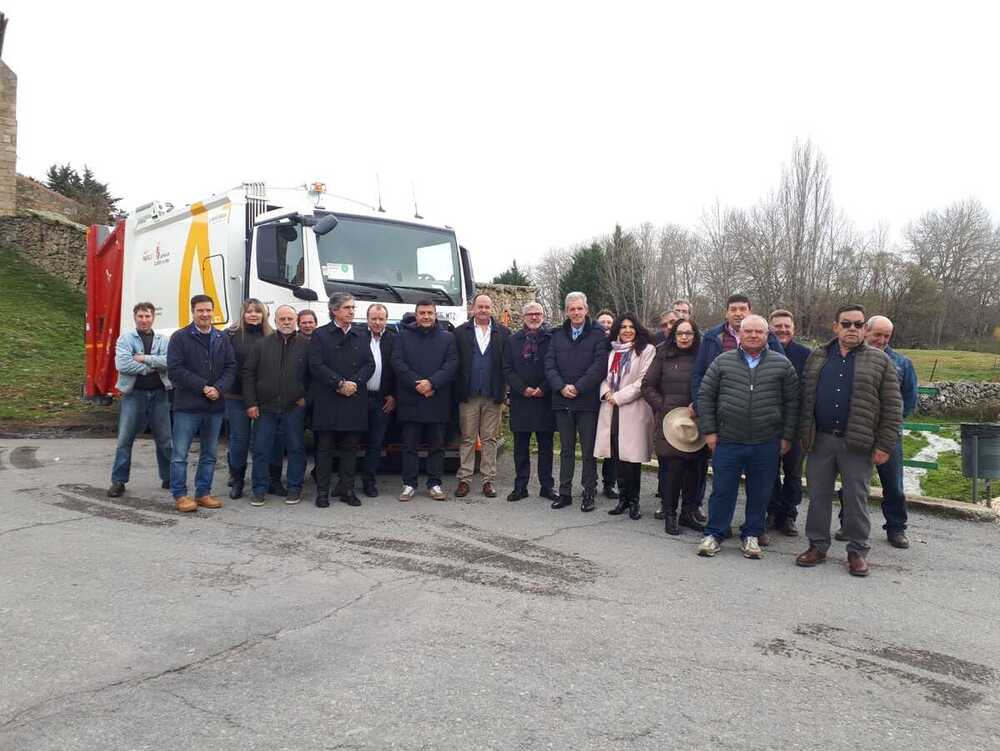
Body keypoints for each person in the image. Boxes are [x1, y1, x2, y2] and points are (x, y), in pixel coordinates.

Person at [796, 305, 903, 578]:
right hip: (820, 440)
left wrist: (884, 445)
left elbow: (893, 407)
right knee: (818, 496)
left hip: (857, 442)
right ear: (836, 327)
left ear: (865, 329)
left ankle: (857, 551)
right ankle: (817, 546)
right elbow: (805, 399)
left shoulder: (880, 361)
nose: (852, 329)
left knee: (856, 498)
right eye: (847, 324)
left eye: (858, 324)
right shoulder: (817, 357)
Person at [696, 315, 800, 559]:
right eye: (749, 331)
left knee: (760, 491)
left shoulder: (781, 364)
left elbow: (793, 403)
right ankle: (714, 533)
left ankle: (752, 534)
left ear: (767, 336)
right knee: (722, 490)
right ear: (740, 334)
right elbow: (706, 397)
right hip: (728, 440)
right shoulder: (722, 362)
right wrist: (710, 432)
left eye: (759, 332)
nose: (754, 335)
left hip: (766, 441)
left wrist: (786, 437)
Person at [690, 294, 785, 527]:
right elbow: (700, 376)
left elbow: (784, 383)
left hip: (763, 429)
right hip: (725, 425)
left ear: (750, 311)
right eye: (733, 309)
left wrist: (783, 431)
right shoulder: (713, 337)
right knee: (723, 485)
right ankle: (716, 530)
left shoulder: (768, 338)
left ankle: (755, 529)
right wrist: (705, 416)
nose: (738, 312)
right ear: (726, 312)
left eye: (743, 308)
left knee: (761, 486)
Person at [167, 294, 237, 512]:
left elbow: (231, 366)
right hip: (187, 407)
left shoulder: (221, 337)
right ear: (193, 312)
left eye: (208, 310)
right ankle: (180, 495)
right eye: (200, 311)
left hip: (214, 407)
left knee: (209, 453)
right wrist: (203, 387)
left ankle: (203, 493)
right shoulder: (179, 337)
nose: (205, 314)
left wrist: (219, 388)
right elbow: (175, 370)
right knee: (180, 454)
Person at [544, 291, 611, 512]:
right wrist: (561, 387)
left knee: (588, 449)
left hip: (587, 401)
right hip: (561, 401)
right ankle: (564, 493)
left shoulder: (598, 334)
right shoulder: (556, 335)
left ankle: (588, 492)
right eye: (571, 309)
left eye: (579, 308)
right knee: (566, 449)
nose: (576, 312)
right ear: (566, 311)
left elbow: (599, 366)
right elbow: (549, 364)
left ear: (586, 310)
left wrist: (578, 387)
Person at [856, 315, 918, 548]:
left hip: (889, 435)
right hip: (858, 432)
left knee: (893, 484)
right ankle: (847, 522)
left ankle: (896, 528)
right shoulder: (854, 359)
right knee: (855, 482)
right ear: (866, 332)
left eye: (886, 336)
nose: (881, 340)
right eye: (877, 335)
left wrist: (890, 424)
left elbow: (909, 401)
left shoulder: (902, 363)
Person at [641, 318, 708, 534]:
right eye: (680, 333)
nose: (684, 337)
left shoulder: (704, 355)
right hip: (669, 423)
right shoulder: (663, 353)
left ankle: (688, 513)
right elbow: (647, 385)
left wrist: (701, 405)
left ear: (695, 335)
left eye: (689, 333)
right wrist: (664, 406)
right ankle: (670, 514)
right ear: (674, 335)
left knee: (695, 472)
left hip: (696, 422)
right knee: (672, 471)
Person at [309, 293, 375, 508]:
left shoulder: (361, 334)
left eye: (353, 308)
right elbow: (316, 365)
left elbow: (369, 364)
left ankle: (347, 489)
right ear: (334, 310)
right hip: (329, 399)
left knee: (350, 448)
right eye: (347, 307)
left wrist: (354, 382)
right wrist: (339, 383)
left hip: (354, 398)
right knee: (325, 448)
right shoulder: (320, 335)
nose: (351, 311)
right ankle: (322, 493)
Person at [391, 299, 459, 502]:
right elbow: (397, 362)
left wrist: (432, 383)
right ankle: (409, 484)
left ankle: (435, 484)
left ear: (435, 315)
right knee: (409, 446)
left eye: (430, 313)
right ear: (416, 314)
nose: (426, 316)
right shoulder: (402, 337)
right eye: (422, 313)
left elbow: (452, 364)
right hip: (411, 398)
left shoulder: (448, 338)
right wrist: (417, 384)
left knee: (437, 446)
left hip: (436, 399)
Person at [242, 304, 310, 506]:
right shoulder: (261, 345)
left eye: (290, 319)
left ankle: (294, 488)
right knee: (262, 449)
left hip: (294, 408)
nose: (286, 323)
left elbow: (315, 375)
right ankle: (259, 489)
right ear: (275, 321)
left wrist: (307, 398)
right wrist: (251, 403)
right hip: (265, 408)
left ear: (296, 320)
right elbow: (248, 374)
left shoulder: (307, 345)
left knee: (296, 448)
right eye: (282, 319)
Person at [107, 302, 173, 497]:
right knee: (124, 440)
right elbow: (123, 364)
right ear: (135, 317)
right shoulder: (125, 339)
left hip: (160, 394)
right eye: (141, 316)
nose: (144, 320)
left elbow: (170, 362)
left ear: (153, 318)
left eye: (148, 316)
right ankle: (118, 481)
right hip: (133, 395)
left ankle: (169, 477)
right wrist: (153, 365)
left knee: (165, 440)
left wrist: (144, 359)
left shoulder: (163, 339)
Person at [595, 313, 656, 520]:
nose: (627, 330)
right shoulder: (613, 351)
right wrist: (606, 393)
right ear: (617, 330)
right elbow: (604, 377)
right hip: (612, 409)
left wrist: (618, 397)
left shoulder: (646, 350)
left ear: (637, 329)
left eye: (631, 327)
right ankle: (623, 499)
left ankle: (634, 501)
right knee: (618, 456)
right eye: (623, 327)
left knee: (632, 458)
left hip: (633, 409)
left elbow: (643, 381)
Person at [454, 293, 510, 498]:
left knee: (490, 439)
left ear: (491, 308)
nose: (484, 310)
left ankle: (488, 481)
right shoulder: (460, 333)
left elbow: (507, 365)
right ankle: (465, 480)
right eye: (480, 306)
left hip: (493, 395)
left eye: (487, 307)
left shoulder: (503, 333)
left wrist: (505, 393)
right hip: (468, 395)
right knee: (468, 438)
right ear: (473, 309)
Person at [502, 301, 557, 502]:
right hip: (521, 399)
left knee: (546, 447)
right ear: (524, 317)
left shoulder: (552, 339)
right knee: (520, 447)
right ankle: (520, 486)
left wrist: (544, 387)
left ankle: (547, 486)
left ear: (543, 316)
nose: (534, 317)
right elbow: (507, 368)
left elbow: (556, 366)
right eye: (530, 314)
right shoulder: (513, 340)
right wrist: (522, 389)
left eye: (538, 313)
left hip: (545, 399)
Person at [766, 309, 812, 536]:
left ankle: (789, 514)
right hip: (768, 423)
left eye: (787, 326)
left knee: (793, 472)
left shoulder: (806, 355)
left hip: (795, 425)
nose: (782, 330)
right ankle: (772, 511)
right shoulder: (762, 351)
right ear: (770, 329)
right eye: (778, 326)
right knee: (769, 471)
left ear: (794, 329)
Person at [223, 299, 271, 499]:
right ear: (243, 314)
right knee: (239, 440)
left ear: (263, 314)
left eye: (257, 311)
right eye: (249, 311)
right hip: (236, 396)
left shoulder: (272, 336)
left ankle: (262, 481)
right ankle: (237, 479)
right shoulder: (231, 335)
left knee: (261, 442)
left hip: (263, 398)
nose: (253, 315)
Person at [360, 303, 397, 497]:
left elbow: (396, 370)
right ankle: (345, 482)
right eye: (373, 318)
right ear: (367, 319)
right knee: (350, 442)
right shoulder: (357, 336)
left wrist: (393, 395)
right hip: (358, 398)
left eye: (381, 319)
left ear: (386, 320)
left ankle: (369, 482)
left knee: (376, 443)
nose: (377, 322)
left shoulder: (393, 339)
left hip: (382, 399)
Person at [594, 309, 620, 500]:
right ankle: (590, 482)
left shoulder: (618, 349)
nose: (605, 325)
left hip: (609, 400)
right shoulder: (592, 344)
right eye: (601, 322)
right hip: (589, 399)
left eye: (609, 323)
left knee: (612, 443)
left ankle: (609, 483)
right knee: (590, 445)